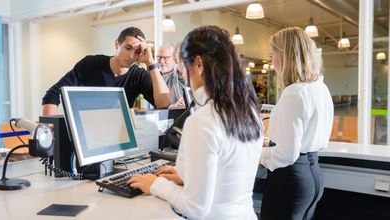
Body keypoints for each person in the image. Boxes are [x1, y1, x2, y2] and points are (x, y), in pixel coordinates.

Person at [127, 26, 263, 219]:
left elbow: (195, 208)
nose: (184, 75)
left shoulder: (203, 121)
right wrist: (186, 176)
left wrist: (155, 185)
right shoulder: (249, 111)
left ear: (198, 64)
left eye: (185, 66)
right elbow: (227, 170)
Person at [260, 27, 334, 220]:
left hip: (289, 180)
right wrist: (268, 142)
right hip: (313, 175)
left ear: (285, 56)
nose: (272, 61)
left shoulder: (294, 93)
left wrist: (252, 152)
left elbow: (285, 155)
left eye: (272, 55)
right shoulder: (320, 87)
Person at [41, 27, 170, 116]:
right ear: (116, 44)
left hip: (119, 137)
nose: (131, 55)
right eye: (128, 48)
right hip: (85, 132)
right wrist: (50, 130)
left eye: (137, 51)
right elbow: (53, 94)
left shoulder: (139, 75)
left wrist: (151, 63)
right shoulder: (91, 64)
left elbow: (163, 103)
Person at [157, 44, 186, 108]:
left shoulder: (201, 79)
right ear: (175, 56)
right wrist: (174, 106)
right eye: (159, 57)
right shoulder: (164, 80)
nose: (161, 61)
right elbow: (160, 107)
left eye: (165, 58)